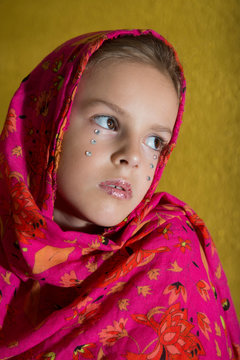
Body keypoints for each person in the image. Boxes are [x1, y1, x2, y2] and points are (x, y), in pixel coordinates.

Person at [0, 28, 239, 360]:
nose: (132, 156)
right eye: (108, 122)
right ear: (48, 116)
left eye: (155, 141)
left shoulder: (168, 252)